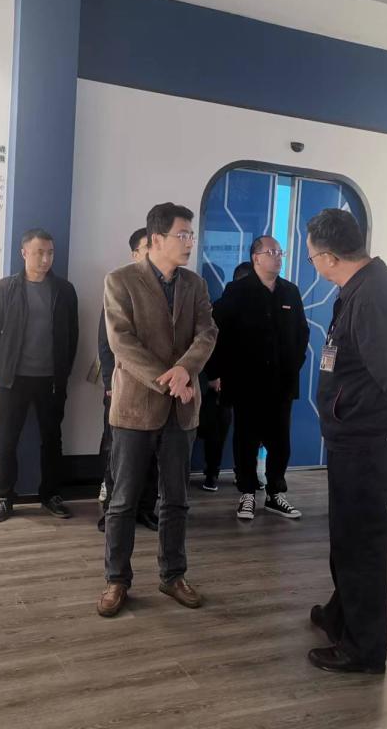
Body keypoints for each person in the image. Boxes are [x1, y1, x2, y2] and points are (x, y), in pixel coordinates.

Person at [304, 208, 387, 674]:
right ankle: (341, 616)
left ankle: (364, 649)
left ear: (327, 257)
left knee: (362, 545)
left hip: (370, 440)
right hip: (358, 436)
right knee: (348, 538)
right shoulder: (365, 287)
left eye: (311, 256)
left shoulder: (372, 297)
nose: (312, 264)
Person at [96, 202, 217, 618]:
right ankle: (116, 579)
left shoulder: (195, 284)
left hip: (182, 409)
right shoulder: (120, 280)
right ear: (156, 240)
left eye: (191, 235)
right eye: (183, 235)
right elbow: (121, 342)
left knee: (176, 499)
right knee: (123, 500)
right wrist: (169, 379)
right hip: (135, 407)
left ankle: (173, 575)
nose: (189, 242)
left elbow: (207, 332)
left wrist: (185, 369)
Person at [207, 238, 309, 520]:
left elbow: (302, 333)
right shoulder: (237, 291)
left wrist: (293, 365)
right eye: (271, 252)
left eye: (280, 252)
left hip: (282, 382)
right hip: (246, 382)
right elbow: (218, 332)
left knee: (280, 441)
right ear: (256, 258)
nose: (278, 257)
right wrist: (217, 372)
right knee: (246, 440)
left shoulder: (290, 291)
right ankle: (247, 493)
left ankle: (276, 494)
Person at [0, 228, 79, 523]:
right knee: (7, 440)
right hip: (13, 379)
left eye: (50, 253)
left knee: (52, 440)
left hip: (51, 380)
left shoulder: (64, 290)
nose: (45, 259)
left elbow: (72, 335)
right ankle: (3, 497)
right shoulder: (5, 288)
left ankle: (51, 495)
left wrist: (63, 373)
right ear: (24, 253)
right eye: (39, 253)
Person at [97, 227, 159, 533]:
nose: (154, 252)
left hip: (157, 388)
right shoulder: (120, 285)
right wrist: (110, 384)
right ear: (135, 254)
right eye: (148, 246)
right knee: (116, 452)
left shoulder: (169, 289)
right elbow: (106, 342)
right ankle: (112, 510)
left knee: (152, 453)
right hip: (122, 387)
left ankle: (145, 509)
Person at [198, 261, 252, 492]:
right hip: (220, 380)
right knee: (216, 429)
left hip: (249, 379)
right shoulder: (220, 308)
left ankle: (245, 475)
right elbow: (210, 345)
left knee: (249, 430)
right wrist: (214, 376)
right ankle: (212, 473)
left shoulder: (262, 308)